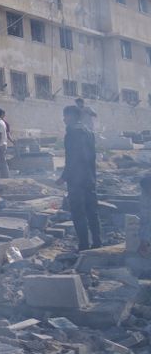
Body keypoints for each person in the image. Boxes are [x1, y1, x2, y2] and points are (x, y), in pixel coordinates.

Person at [59, 105, 100, 251]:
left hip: (76, 180)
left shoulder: (71, 134)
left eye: (65, 116)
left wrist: (64, 176)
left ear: (72, 116)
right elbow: (92, 157)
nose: (64, 119)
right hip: (89, 178)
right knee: (92, 211)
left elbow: (73, 158)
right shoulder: (89, 132)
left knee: (78, 212)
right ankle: (97, 242)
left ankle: (83, 245)